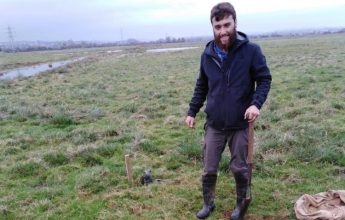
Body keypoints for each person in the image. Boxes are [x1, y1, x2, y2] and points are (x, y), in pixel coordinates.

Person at [185, 2, 272, 219]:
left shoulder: (251, 51)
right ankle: (208, 203)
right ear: (212, 28)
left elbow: (264, 79)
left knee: (240, 168)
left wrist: (255, 104)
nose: (223, 31)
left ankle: (241, 205)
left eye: (227, 24)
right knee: (209, 168)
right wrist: (192, 111)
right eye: (218, 26)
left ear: (235, 23)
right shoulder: (207, 55)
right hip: (214, 123)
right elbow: (202, 85)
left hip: (240, 123)